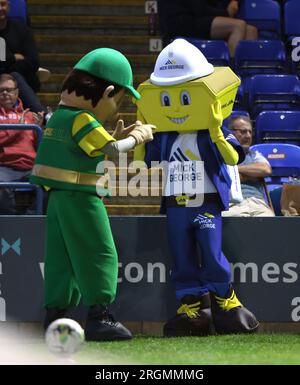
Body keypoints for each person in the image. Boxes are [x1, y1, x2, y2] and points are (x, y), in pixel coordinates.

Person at [135, 39, 259, 336]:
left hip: (205, 202)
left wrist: (217, 130)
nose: (176, 107)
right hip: (176, 203)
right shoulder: (164, 137)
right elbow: (143, 167)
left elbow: (233, 157)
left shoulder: (212, 131)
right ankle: (192, 307)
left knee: (211, 252)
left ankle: (226, 302)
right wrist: (141, 132)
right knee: (181, 255)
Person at [30, 48, 155, 341]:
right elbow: (110, 150)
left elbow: (97, 147)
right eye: (119, 99)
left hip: (58, 199)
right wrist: (138, 137)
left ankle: (55, 318)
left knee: (62, 260)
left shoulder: (58, 117)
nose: (118, 106)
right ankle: (99, 317)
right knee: (99, 252)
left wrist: (117, 138)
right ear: (108, 91)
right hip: (82, 198)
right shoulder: (82, 119)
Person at [0, 73, 43, 214]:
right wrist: (18, 128)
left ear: (17, 92)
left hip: (30, 166)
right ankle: (12, 224)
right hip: (5, 166)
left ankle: (30, 219)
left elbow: (38, 147)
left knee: (51, 183)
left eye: (9, 90)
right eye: (1, 90)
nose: (5, 93)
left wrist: (39, 130)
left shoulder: (30, 116)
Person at [157, 0, 258, 58]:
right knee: (238, 25)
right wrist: (226, 13)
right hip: (181, 23)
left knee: (251, 30)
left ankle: (247, 76)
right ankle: (231, 73)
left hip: (197, 19)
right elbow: (199, 10)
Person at [222, 115, 275, 217]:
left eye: (250, 132)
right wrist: (252, 176)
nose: (248, 136)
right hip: (231, 204)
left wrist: (234, 169)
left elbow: (266, 170)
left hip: (257, 203)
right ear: (230, 133)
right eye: (243, 131)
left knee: (270, 221)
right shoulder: (221, 155)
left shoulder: (254, 155)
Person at [0, 0, 44, 113]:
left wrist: (8, 69)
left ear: (9, 6)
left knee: (15, 77)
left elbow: (33, 61)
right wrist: (14, 58)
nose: (0, 8)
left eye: (2, 4)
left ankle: (41, 116)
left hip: (19, 77)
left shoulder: (22, 29)